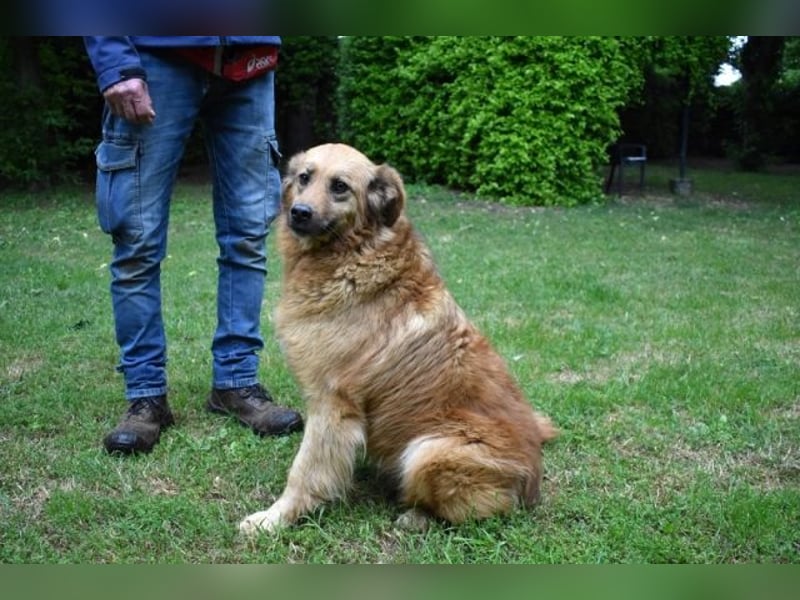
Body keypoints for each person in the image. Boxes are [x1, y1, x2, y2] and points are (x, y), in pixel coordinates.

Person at [84, 36, 303, 455]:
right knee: (137, 243)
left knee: (248, 237)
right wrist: (114, 63)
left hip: (248, 61)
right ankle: (146, 396)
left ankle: (236, 383)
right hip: (153, 55)